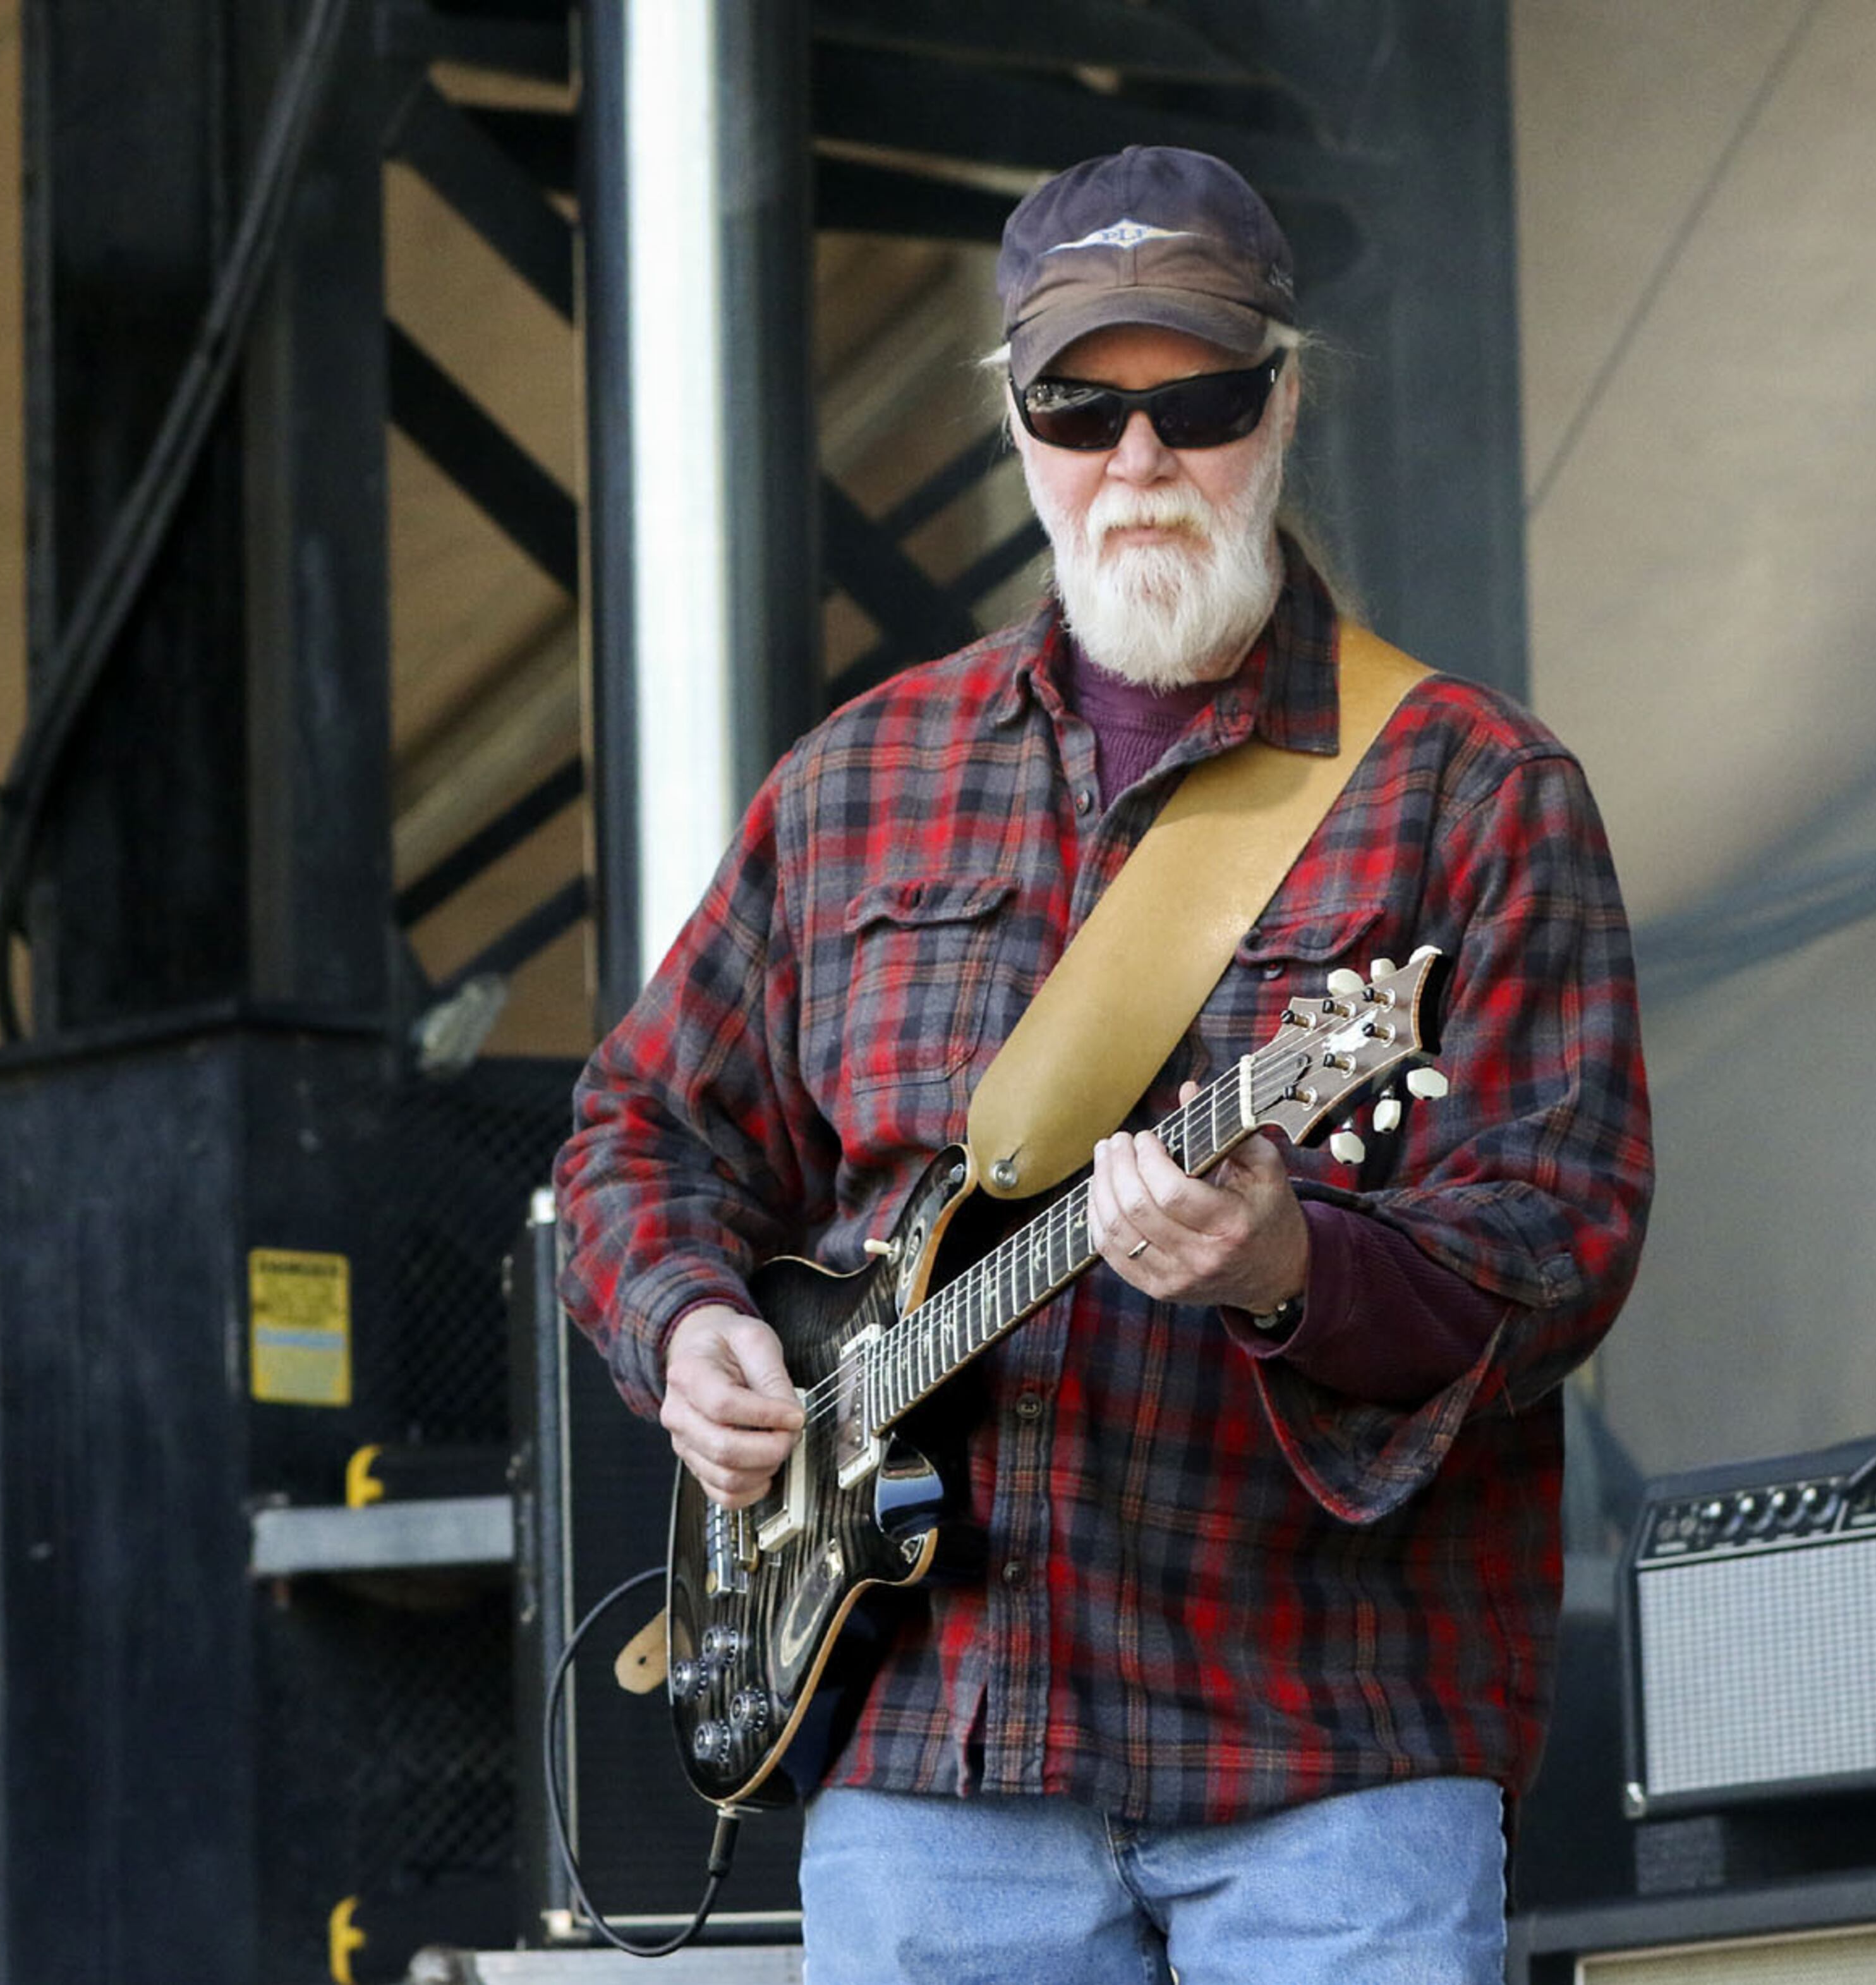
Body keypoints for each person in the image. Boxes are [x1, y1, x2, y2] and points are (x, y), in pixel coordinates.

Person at [554, 143, 1654, 1983]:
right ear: (1015, 419)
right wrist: (685, 1327)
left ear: (1283, 399)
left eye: (1197, 400)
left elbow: (1568, 1233)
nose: (1138, 461)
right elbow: (639, 1126)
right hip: (931, 1756)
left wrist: (1298, 1269)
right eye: (1081, 403)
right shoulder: (853, 781)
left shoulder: (1472, 785)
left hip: (1332, 1754)